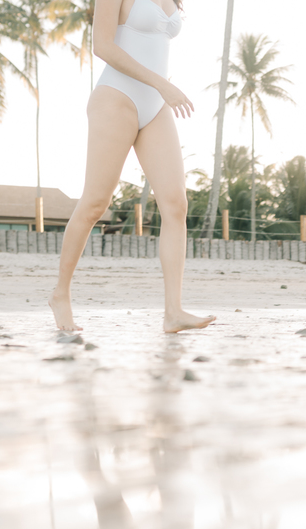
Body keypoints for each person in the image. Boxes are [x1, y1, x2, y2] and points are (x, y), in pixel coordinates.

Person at [49, 0, 216, 333]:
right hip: (117, 96)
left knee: (175, 203)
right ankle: (60, 294)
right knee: (95, 203)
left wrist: (159, 88)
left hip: (155, 105)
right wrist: (162, 83)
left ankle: (173, 312)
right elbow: (103, 46)